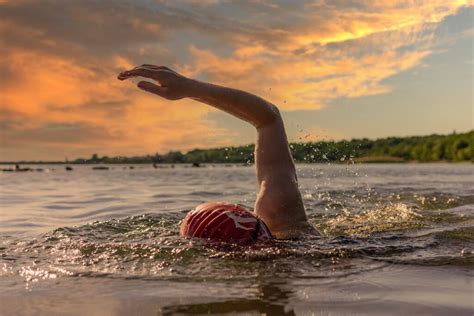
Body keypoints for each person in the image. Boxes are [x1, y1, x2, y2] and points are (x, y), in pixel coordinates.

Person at [118, 65, 319, 242]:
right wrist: (189, 87)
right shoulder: (284, 223)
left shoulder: (283, 223)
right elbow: (269, 119)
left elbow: (268, 120)